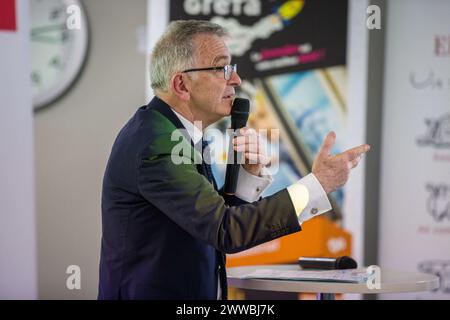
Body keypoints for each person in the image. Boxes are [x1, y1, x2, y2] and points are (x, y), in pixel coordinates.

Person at [98, 20, 370, 300]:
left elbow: (210, 221)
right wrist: (317, 186)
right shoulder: (157, 143)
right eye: (221, 68)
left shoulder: (180, 133)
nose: (236, 80)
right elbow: (225, 230)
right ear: (181, 84)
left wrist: (247, 176)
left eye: (233, 68)